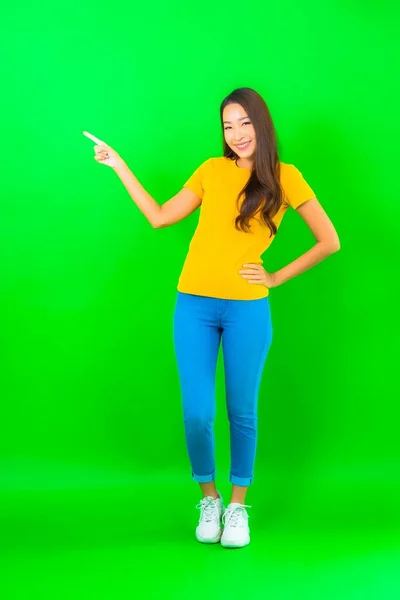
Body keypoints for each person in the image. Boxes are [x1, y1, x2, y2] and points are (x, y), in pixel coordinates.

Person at [83, 87, 340, 549]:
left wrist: (276, 276)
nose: (237, 134)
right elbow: (160, 218)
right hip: (194, 307)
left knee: (242, 411)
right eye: (228, 125)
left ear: (261, 124)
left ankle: (238, 507)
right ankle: (210, 497)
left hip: (248, 310)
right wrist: (119, 165)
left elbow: (329, 241)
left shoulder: (287, 177)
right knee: (197, 412)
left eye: (244, 123)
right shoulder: (210, 171)